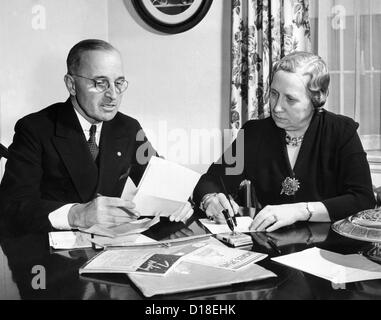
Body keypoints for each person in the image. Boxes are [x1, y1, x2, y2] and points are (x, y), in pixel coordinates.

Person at [0, 39, 193, 235]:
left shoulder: (128, 128)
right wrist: (76, 215)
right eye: (100, 83)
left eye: (118, 83)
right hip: (48, 254)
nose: (113, 95)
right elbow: (12, 206)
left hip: (110, 250)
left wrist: (182, 200)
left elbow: (160, 177)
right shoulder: (35, 129)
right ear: (72, 85)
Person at [193, 51, 375, 232]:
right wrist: (211, 199)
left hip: (330, 247)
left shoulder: (341, 131)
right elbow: (211, 180)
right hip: (272, 245)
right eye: (273, 94)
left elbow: (362, 200)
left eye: (290, 99)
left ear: (318, 98)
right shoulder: (254, 134)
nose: (276, 107)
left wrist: (301, 211)